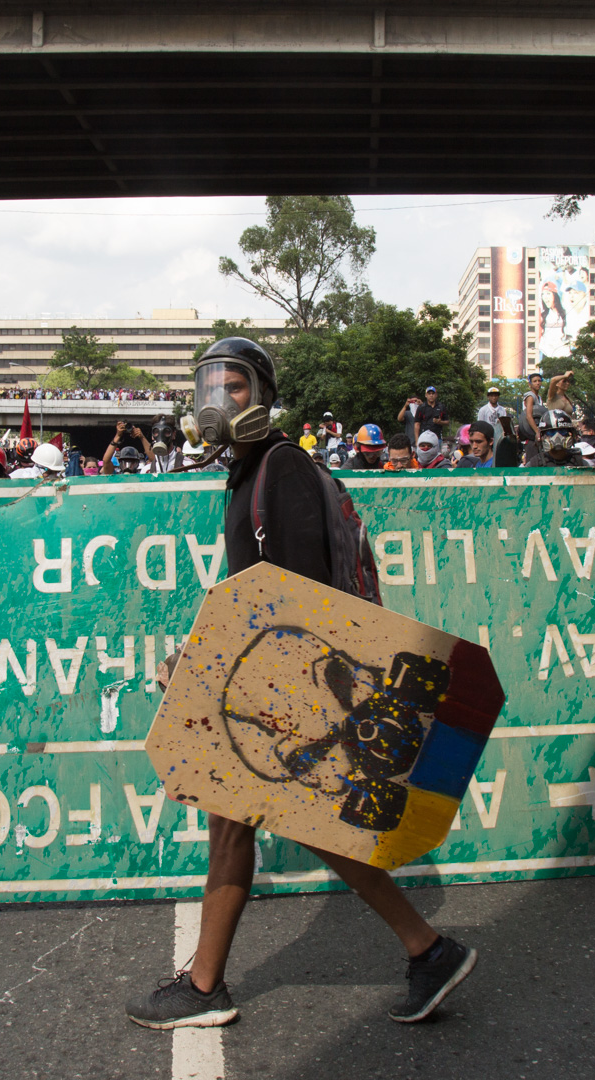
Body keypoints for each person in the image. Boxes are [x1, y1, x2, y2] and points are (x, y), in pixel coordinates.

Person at [128, 337, 476, 1031]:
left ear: (261, 395)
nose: (216, 401)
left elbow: (292, 603)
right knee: (251, 821)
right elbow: (251, 594)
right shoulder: (250, 469)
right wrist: (201, 654)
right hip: (276, 678)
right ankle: (421, 950)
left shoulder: (280, 466)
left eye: (233, 387)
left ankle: (211, 987)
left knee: (283, 818)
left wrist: (209, 670)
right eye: (208, 386)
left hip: (292, 683)